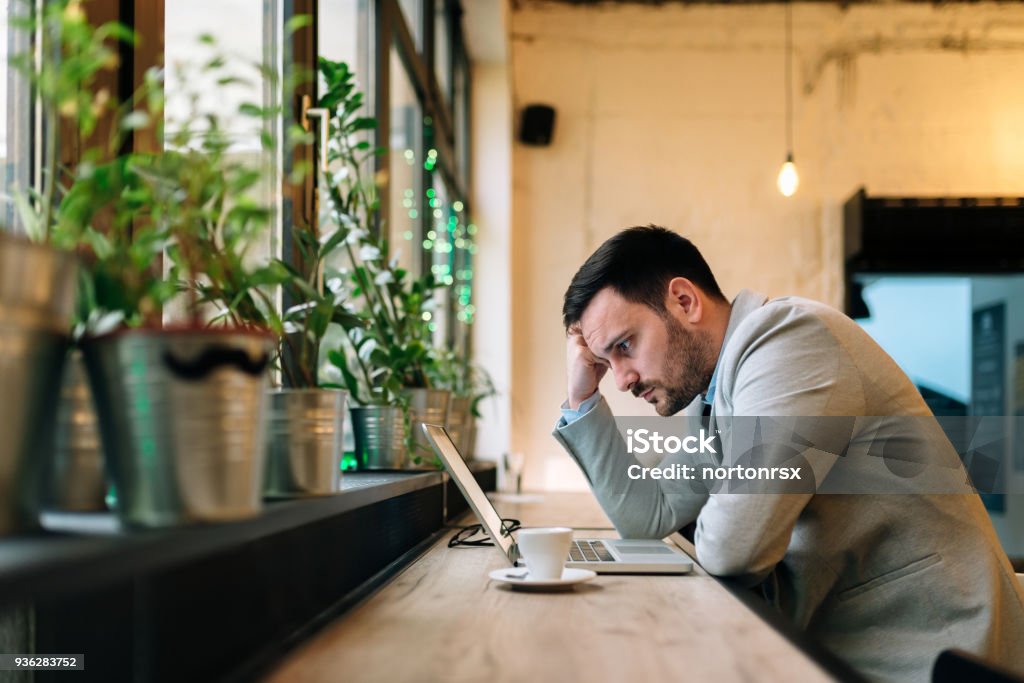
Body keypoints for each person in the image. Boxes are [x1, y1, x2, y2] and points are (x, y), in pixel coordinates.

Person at [552, 225, 1024, 683]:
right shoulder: (715, 395)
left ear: (684, 301)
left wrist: (725, 503)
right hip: (840, 642)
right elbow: (647, 512)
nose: (621, 379)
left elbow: (736, 546)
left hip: (927, 652)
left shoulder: (789, 340)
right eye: (605, 362)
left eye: (625, 347)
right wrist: (580, 398)